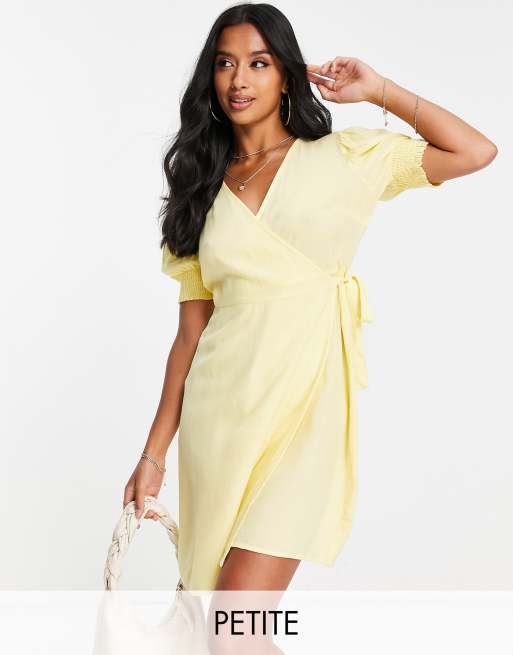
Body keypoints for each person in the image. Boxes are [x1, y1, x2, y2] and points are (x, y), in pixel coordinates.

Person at [123, 4, 497, 598]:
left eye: (258, 63)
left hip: (306, 415)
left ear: (287, 74)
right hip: (219, 421)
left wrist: (379, 90)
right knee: (223, 628)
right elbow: (191, 334)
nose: (239, 79)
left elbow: (474, 151)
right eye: (225, 63)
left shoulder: (346, 158)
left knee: (233, 625)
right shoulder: (200, 188)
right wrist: (153, 455)